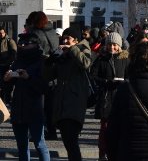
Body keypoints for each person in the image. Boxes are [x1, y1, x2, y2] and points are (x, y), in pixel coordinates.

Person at [47, 26, 92, 161]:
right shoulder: (62, 53)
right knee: (68, 141)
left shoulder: (83, 49)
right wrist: (49, 61)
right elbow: (49, 76)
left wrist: (72, 49)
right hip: (61, 100)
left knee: (71, 140)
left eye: (68, 38)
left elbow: (86, 63)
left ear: (76, 40)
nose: (65, 41)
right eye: (64, 38)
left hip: (75, 100)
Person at [5, 33, 50, 161]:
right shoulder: (18, 61)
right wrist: (7, 78)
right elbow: (10, 85)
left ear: (35, 45)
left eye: (26, 44)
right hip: (18, 108)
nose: (22, 46)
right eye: (21, 44)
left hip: (35, 109)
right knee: (22, 146)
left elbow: (45, 88)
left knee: (39, 144)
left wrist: (28, 77)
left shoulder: (42, 62)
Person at [90, 32, 130, 161]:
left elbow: (131, 76)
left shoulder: (125, 59)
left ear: (119, 45)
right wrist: (106, 82)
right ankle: (102, 154)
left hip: (121, 97)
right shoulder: (102, 58)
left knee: (121, 129)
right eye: (109, 45)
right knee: (105, 129)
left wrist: (123, 82)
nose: (112, 47)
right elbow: (93, 75)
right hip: (106, 98)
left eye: (114, 45)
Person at [0, 27, 17, 103]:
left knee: (7, 86)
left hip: (7, 67)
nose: (1, 34)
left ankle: (7, 101)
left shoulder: (10, 41)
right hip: (1, 66)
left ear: (5, 33)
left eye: (2, 33)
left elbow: (14, 54)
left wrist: (8, 63)